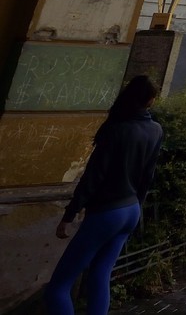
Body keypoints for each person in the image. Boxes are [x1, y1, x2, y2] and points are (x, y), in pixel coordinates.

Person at [44, 75, 163, 315]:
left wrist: (70, 214)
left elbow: (93, 176)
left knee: (58, 287)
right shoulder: (156, 130)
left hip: (107, 212)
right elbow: (147, 177)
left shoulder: (116, 129)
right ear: (150, 101)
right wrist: (137, 209)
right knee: (100, 274)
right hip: (131, 210)